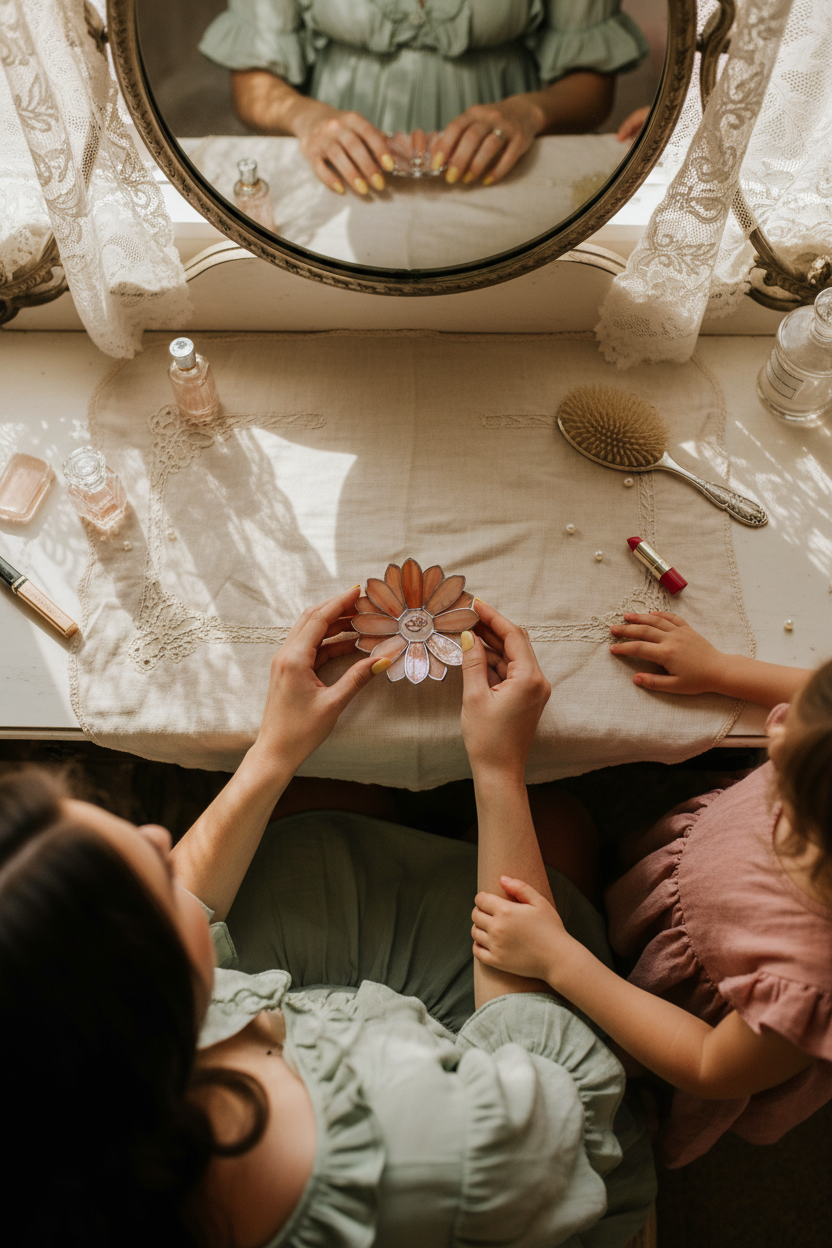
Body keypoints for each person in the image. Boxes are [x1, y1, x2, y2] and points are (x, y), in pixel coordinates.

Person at [0, 588, 655, 1248]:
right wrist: (498, 769)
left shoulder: (73, 1078)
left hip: (321, 1014)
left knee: (322, 799)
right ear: (124, 992)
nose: (157, 835)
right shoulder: (429, 1149)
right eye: (152, 879)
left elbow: (184, 910)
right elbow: (556, 1092)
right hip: (511, 1106)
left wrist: (276, 748)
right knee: (558, 823)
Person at [471, 609, 832, 1169]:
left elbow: (708, 1064)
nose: (777, 722)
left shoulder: (810, 984)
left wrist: (560, 958)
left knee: (636, 1067)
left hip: (688, 1022)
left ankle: (636, 1102)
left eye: (788, 745)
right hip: (691, 895)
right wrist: (722, 670)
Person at [200, 1, 648, 193]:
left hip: (507, 169)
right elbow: (253, 82)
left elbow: (592, 85)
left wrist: (529, 112)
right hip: (341, 177)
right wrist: (307, 117)